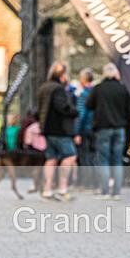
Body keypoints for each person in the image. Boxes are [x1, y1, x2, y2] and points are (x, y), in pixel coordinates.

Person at [86, 62, 130, 200]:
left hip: (103, 128)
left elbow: (88, 105)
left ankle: (105, 190)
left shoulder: (98, 88)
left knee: (103, 159)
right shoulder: (122, 89)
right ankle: (117, 192)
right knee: (117, 160)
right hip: (119, 128)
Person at [36, 62, 80, 201]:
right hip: (60, 129)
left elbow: (39, 110)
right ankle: (62, 188)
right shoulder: (58, 89)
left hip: (47, 129)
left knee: (51, 159)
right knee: (70, 156)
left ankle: (47, 189)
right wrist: (74, 111)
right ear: (62, 75)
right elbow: (62, 107)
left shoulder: (44, 87)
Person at [74, 68, 96, 190]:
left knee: (84, 156)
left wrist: (76, 132)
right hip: (96, 128)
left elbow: (81, 114)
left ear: (84, 79)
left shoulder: (83, 94)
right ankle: (95, 182)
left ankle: (87, 183)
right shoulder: (96, 92)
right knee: (94, 156)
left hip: (85, 128)